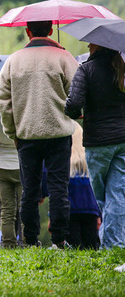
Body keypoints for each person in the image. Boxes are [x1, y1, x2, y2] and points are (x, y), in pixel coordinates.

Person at [0, 20, 78, 248]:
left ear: (27, 31)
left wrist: (13, 131)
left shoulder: (13, 61)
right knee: (59, 187)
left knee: (29, 190)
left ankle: (31, 240)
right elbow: (77, 92)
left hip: (27, 136)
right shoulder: (64, 57)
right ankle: (59, 239)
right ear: (51, 30)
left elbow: (2, 100)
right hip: (59, 134)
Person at [65, 43, 125, 248]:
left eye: (91, 42)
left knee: (101, 196)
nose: (89, 45)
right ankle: (114, 245)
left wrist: (76, 115)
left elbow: (73, 104)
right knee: (117, 194)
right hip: (122, 140)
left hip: (98, 142)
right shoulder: (121, 68)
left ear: (99, 44)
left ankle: (110, 245)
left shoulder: (86, 69)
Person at [0, 113, 22, 248]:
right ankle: (26, 242)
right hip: (21, 163)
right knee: (24, 206)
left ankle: (8, 244)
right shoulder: (23, 105)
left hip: (2, 164)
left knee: (7, 208)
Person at [66, 123, 101, 249]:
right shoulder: (90, 162)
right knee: (92, 248)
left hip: (70, 211)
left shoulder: (63, 164)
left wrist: (52, 217)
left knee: (74, 249)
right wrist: (99, 214)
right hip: (91, 211)